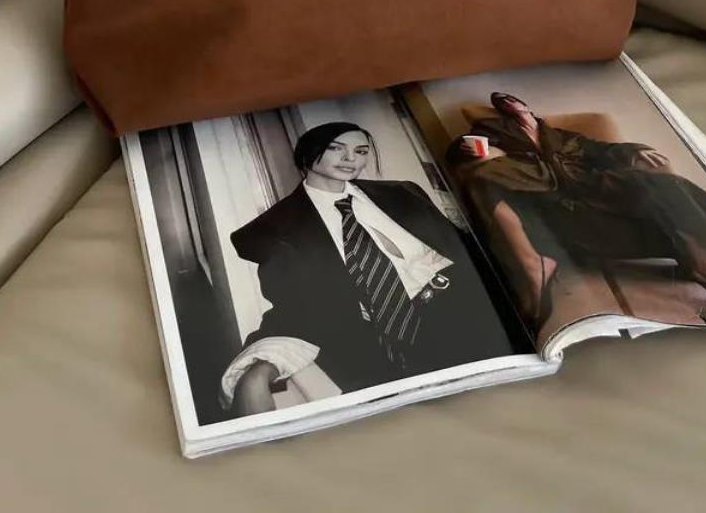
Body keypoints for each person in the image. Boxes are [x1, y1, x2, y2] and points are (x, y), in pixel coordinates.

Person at [223, 120, 525, 414]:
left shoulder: (403, 192)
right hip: (395, 340)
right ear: (307, 153)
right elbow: (293, 307)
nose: (350, 159)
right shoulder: (276, 230)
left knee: (513, 402)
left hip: (467, 308)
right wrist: (259, 369)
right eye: (336, 148)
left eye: (361, 151)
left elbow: (465, 249)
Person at [448, 91, 706, 330]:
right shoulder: (495, 129)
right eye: (502, 103)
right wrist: (472, 148)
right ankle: (537, 267)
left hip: (598, 188)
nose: (508, 104)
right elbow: (463, 149)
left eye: (512, 99)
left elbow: (603, 150)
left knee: (660, 187)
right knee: (484, 178)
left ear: (526, 106)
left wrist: (633, 150)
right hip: (554, 198)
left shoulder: (562, 135)